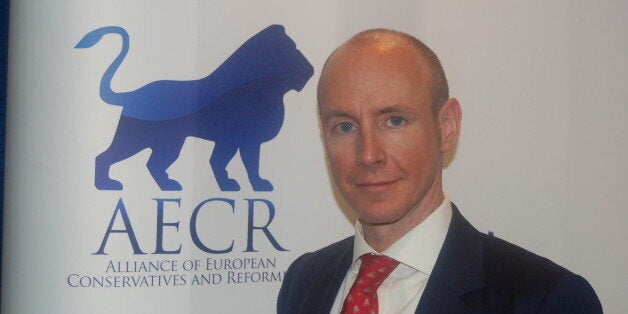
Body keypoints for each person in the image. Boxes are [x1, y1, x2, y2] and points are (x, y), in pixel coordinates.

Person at [277, 29, 602, 314]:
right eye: (345, 126)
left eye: (394, 121)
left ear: (447, 126)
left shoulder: (544, 299)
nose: (368, 154)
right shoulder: (304, 281)